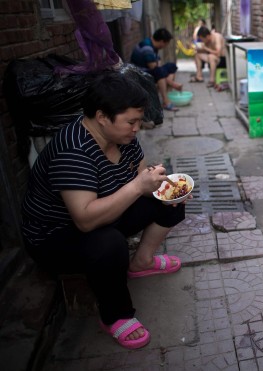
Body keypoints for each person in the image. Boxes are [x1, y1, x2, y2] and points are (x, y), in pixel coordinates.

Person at [21, 72, 189, 349]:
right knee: (109, 244)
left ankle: (142, 262)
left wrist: (162, 186)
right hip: (54, 236)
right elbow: (86, 220)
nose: (137, 128)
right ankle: (115, 315)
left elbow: (140, 175)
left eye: (138, 120)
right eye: (131, 121)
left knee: (170, 198)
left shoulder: (123, 137)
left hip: (105, 213)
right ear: (101, 117)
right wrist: (138, 187)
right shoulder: (73, 150)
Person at [130, 28, 182, 111]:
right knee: (159, 72)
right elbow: (153, 66)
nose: (166, 46)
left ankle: (166, 94)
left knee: (172, 66)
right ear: (162, 42)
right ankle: (166, 101)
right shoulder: (147, 47)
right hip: (140, 72)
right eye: (167, 43)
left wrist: (158, 64)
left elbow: (158, 63)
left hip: (149, 70)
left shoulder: (154, 46)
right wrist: (172, 83)